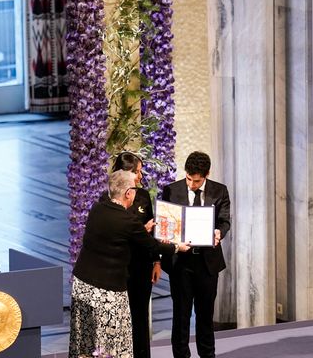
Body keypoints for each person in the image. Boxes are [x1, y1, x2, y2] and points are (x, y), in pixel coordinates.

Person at [69, 170, 190, 358]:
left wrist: (141, 230)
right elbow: (152, 245)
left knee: (86, 341)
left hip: (82, 285)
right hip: (108, 291)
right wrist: (177, 247)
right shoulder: (127, 221)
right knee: (113, 344)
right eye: (135, 188)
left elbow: (116, 235)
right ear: (128, 193)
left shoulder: (97, 209)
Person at [161, 151, 231, 358]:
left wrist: (219, 232)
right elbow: (166, 223)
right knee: (181, 315)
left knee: (205, 315)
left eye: (197, 181)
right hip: (181, 263)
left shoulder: (220, 191)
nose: (191, 184)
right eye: (189, 179)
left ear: (207, 174)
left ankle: (207, 355)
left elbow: (224, 221)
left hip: (207, 262)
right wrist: (166, 237)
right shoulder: (171, 190)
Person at [109, 152, 160, 358]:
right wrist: (140, 231)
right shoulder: (109, 199)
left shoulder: (143, 196)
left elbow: (153, 231)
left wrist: (156, 261)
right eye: (137, 172)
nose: (140, 176)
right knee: (121, 318)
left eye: (140, 171)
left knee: (140, 317)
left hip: (142, 266)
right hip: (120, 268)